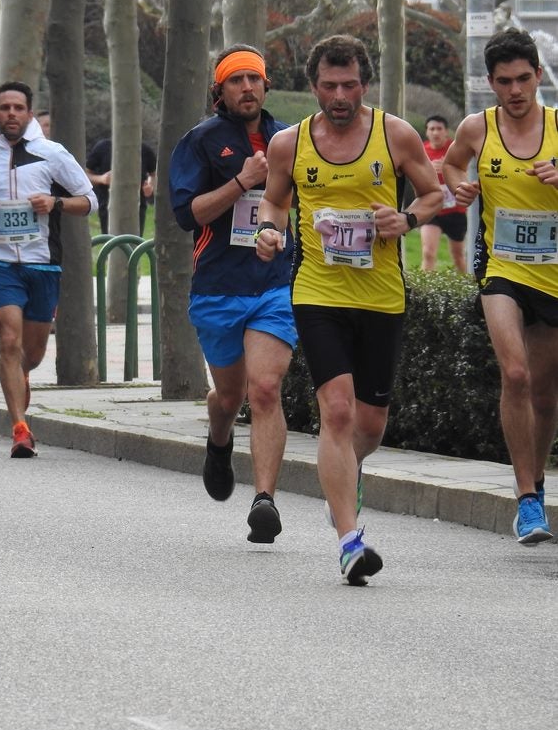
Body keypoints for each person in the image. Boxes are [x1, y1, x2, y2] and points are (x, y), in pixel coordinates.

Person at [255, 35, 441, 585]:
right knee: (336, 412)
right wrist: (268, 229)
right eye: (330, 86)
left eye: (351, 85)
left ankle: (344, 478)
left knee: (370, 425)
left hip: (381, 295)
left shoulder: (396, 134)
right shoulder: (291, 144)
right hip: (318, 292)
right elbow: (274, 198)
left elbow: (434, 196)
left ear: (365, 83)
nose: (340, 96)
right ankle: (348, 539)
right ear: (314, 86)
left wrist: (406, 219)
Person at [170, 44, 296, 544]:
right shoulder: (200, 142)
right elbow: (187, 215)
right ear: (218, 90)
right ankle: (219, 441)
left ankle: (264, 500)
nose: (247, 87)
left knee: (264, 389)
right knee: (230, 395)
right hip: (219, 287)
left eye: (254, 79)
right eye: (235, 80)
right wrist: (241, 182)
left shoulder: (288, 139)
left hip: (274, 284)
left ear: (266, 86)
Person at [441, 27, 558, 544]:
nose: (515, 90)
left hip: (552, 273)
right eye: (505, 81)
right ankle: (526, 499)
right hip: (501, 270)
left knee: (545, 392)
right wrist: (457, 186)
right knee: (515, 374)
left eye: (524, 79)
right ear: (491, 83)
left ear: (538, 75)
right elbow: (448, 163)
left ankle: (536, 480)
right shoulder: (476, 128)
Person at [0, 81, 97, 458]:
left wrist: (56, 203)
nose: (12, 114)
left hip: (43, 265)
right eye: (5, 108)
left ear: (29, 113)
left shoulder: (53, 155)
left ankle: (23, 374)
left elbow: (89, 200)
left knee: (30, 353)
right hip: (0, 263)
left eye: (19, 108)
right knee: (8, 341)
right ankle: (20, 429)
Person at [420, 115, 467, 273]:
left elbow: (469, 174)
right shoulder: (421, 151)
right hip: (432, 209)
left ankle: (469, 291)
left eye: (439, 129)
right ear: (426, 132)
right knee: (428, 252)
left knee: (458, 256)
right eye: (431, 129)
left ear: (446, 132)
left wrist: (447, 169)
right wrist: (427, 171)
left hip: (455, 210)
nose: (435, 132)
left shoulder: (455, 149)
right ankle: (424, 294)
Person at [85, 135, 156, 235]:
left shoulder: (144, 150)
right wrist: (101, 179)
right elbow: (85, 174)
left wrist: (150, 186)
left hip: (137, 208)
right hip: (108, 207)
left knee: (134, 246)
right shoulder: (103, 147)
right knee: (111, 245)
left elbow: (153, 174)